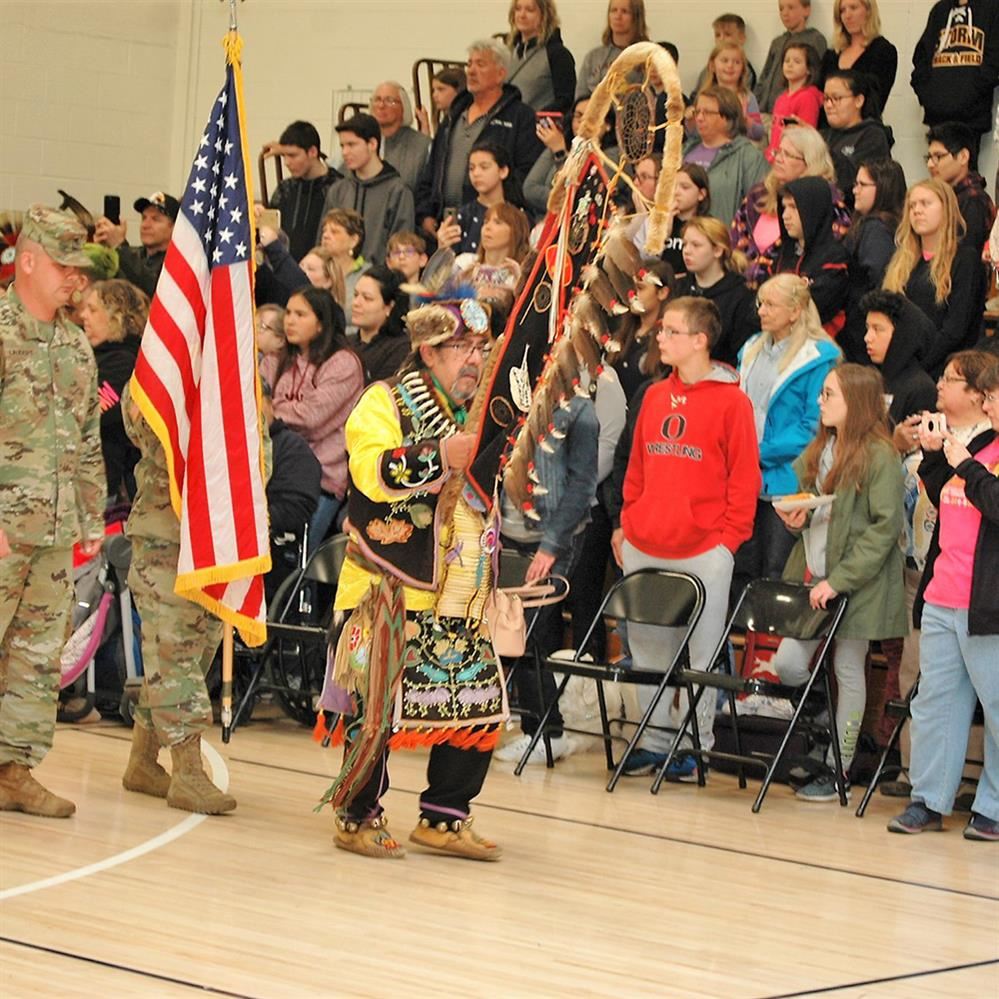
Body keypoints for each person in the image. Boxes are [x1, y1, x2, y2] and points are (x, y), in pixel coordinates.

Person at [328, 297, 504, 860]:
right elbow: (370, 473)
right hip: (387, 584)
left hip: (461, 588)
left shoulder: (484, 410)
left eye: (481, 348)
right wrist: (439, 457)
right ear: (428, 351)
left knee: (476, 701)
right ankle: (357, 815)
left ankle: (446, 817)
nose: (474, 359)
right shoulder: (382, 402)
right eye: (462, 349)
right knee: (376, 705)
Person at [612, 297, 761, 777]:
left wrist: (727, 542)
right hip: (645, 543)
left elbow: (744, 480)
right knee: (650, 650)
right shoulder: (654, 395)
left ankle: (696, 746)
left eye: (671, 331)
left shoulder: (732, 401)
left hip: (705, 549)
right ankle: (654, 741)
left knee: (702, 653)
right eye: (661, 330)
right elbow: (636, 466)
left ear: (700, 340)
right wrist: (626, 524)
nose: (660, 337)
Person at [0, 206, 105, 819]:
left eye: (80, 268)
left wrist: (90, 522)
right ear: (29, 260)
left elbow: (87, 438)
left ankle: (14, 769)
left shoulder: (73, 344)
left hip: (57, 531)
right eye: (65, 266)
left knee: (37, 655)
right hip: (7, 528)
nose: (75, 279)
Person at [773, 364, 907, 800]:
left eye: (829, 394)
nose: (820, 401)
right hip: (813, 576)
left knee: (849, 668)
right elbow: (814, 514)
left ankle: (838, 767)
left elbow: (884, 529)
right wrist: (796, 519)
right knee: (789, 664)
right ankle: (819, 729)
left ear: (857, 402)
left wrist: (841, 580)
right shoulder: (820, 449)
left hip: (856, 584)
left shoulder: (881, 456)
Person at [888, 356, 999, 841]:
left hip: (988, 603)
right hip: (944, 593)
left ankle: (992, 807)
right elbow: (945, 494)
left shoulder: (980, 454)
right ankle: (928, 799)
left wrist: (965, 464)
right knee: (935, 702)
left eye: (994, 395)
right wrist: (936, 455)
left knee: (996, 706)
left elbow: (992, 502)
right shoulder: (976, 445)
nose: (992, 403)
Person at [495, 350, 601, 766]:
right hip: (503, 533)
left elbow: (582, 485)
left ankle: (546, 731)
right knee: (500, 632)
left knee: (531, 635)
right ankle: (491, 719)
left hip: (549, 538)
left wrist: (551, 545)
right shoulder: (512, 403)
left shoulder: (580, 411)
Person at [735, 274, 840, 594]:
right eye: (760, 304)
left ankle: (772, 642)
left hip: (789, 478)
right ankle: (739, 641)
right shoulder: (751, 347)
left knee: (777, 569)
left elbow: (813, 423)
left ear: (795, 311)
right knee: (742, 566)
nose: (761, 311)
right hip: (745, 474)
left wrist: (759, 451)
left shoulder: (819, 356)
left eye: (770, 305)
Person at [261, 286, 365, 552]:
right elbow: (255, 407)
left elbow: (312, 418)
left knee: (292, 559)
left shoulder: (344, 363)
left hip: (322, 481)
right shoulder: (276, 359)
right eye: (289, 313)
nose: (290, 320)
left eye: (300, 314)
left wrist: (274, 408)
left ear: (321, 323)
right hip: (271, 470)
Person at [415, 39, 541, 237]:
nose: (471, 71)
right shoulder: (453, 114)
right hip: (444, 223)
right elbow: (432, 168)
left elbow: (526, 173)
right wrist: (425, 214)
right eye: (469, 64)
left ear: (501, 74)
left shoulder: (520, 117)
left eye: (480, 64)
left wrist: (499, 211)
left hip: (492, 224)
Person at [883, 178, 987, 375]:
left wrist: (918, 366)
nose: (917, 210)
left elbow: (955, 330)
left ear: (946, 208)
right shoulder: (901, 262)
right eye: (912, 205)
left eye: (925, 203)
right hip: (903, 365)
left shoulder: (964, 259)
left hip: (946, 367)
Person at [732, 125, 850, 288]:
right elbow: (735, 242)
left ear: (810, 162)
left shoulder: (828, 204)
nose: (778, 159)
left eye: (787, 154)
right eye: (778, 152)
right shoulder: (758, 195)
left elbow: (825, 255)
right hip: (744, 291)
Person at [79, 278, 148, 508]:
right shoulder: (89, 354)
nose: (83, 316)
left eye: (93, 309)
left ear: (115, 316)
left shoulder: (124, 364)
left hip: (104, 490)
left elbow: (90, 412)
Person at [320, 114, 414, 268]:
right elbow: (323, 241)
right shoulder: (338, 191)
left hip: (379, 283)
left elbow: (401, 246)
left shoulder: (398, 191)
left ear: (372, 144)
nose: (345, 152)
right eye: (342, 146)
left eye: (351, 144)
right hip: (338, 279)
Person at [911, 0, 999, 159]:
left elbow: (994, 62)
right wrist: (928, 96)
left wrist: (971, 93)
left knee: (966, 176)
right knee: (937, 175)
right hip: (937, 115)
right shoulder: (940, 10)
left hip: (971, 118)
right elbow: (921, 57)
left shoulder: (992, 8)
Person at [840, 157, 907, 363]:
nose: (855, 190)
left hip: (861, 328)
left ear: (883, 188)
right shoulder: (890, 225)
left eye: (862, 184)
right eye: (855, 184)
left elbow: (879, 277)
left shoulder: (875, 228)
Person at [260, 379, 322, 601]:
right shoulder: (224, 445)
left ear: (269, 404)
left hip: (269, 554)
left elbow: (294, 512)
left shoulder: (293, 449)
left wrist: (245, 518)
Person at [763, 176, 850, 331]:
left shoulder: (835, 259)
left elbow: (813, 307)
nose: (785, 215)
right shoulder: (781, 255)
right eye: (784, 207)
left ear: (812, 210)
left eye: (793, 207)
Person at [677, 217, 757, 367]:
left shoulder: (741, 297)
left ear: (718, 250)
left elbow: (741, 354)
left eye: (696, 245)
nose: (687, 251)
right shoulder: (679, 288)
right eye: (684, 244)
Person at [683, 86, 769, 226]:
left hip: (722, 241)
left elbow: (760, 207)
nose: (699, 118)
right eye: (697, 112)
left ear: (728, 118)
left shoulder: (749, 157)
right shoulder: (684, 151)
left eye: (708, 113)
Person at [861, 289, 938, 435]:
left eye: (877, 329)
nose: (867, 337)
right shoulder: (873, 381)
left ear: (901, 335)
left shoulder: (921, 389)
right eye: (868, 328)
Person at [264, 121, 341, 262]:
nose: (287, 162)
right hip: (285, 269)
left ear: (312, 152)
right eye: (284, 156)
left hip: (324, 269)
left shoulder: (338, 188)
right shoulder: (285, 188)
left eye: (293, 156)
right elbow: (269, 228)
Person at [925, 121, 997, 254]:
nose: (930, 164)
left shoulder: (973, 201)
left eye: (938, 157)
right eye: (929, 157)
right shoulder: (952, 196)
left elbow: (966, 256)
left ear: (963, 156)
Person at [435, 143, 518, 256]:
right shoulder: (463, 216)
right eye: (471, 168)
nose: (476, 173)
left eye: (484, 167)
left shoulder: (517, 216)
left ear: (503, 171)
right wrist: (443, 247)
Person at [820, 70, 893, 197]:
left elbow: (851, 181)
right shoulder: (824, 135)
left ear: (858, 100)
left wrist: (818, 148)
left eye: (836, 98)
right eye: (826, 99)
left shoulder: (873, 135)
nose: (829, 105)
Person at [611, 260, 676, 402]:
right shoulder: (620, 333)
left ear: (662, 293)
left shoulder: (669, 342)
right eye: (631, 288)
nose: (632, 294)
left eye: (640, 288)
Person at [93, 191, 178, 298]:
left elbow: (152, 286)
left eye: (155, 219)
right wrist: (101, 250)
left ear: (174, 227)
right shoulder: (133, 254)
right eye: (144, 218)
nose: (145, 225)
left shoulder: (179, 262)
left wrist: (119, 245)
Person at [819, 0, 898, 113]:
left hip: (864, 128)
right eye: (842, 10)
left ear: (869, 11)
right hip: (828, 127)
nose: (847, 15)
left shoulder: (883, 51)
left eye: (853, 8)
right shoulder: (831, 55)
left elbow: (875, 101)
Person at [755, 0, 828, 114]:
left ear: (806, 10)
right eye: (781, 8)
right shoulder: (777, 42)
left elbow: (816, 76)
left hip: (791, 111)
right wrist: (755, 103)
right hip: (764, 109)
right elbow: (765, 75)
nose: (785, 13)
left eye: (791, 7)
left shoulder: (814, 39)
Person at [505, 0, 576, 114]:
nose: (522, 15)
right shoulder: (507, 52)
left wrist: (531, 118)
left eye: (530, 10)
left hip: (536, 127)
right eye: (518, 9)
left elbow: (565, 100)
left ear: (545, 15)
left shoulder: (558, 54)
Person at [454, 203, 531, 301]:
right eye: (485, 222)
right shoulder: (464, 263)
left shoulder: (519, 275)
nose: (487, 227)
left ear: (516, 232)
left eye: (498, 222)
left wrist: (519, 288)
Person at [348, 265, 411, 385]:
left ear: (389, 307)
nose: (356, 303)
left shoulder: (401, 349)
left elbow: (378, 393)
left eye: (367, 298)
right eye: (356, 295)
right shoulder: (345, 342)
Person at [576, 0, 650, 99]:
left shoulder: (646, 57)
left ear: (636, 17)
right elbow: (580, 96)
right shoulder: (593, 57)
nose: (618, 16)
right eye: (614, 10)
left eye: (624, 11)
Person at [369, 81, 432, 195]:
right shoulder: (361, 141)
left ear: (404, 107)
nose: (381, 105)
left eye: (389, 101)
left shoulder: (422, 145)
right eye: (377, 99)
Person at [766, 42, 824, 162]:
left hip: (791, 159)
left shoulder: (808, 97)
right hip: (774, 156)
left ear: (809, 69)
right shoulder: (781, 97)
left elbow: (806, 136)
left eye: (797, 62)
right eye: (786, 61)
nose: (790, 65)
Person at [697, 41, 764, 142]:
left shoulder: (748, 98)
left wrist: (747, 122)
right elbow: (694, 132)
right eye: (724, 60)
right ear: (712, 66)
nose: (730, 65)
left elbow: (759, 134)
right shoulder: (705, 97)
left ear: (743, 69)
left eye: (737, 62)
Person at [655, 163, 711, 277]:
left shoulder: (707, 226)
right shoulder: (661, 220)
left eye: (684, 187)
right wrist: (664, 233)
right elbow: (649, 261)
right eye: (673, 187)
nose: (676, 192)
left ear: (701, 194)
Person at [320, 208, 366, 322]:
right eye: (324, 231)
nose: (325, 235)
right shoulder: (314, 269)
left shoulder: (367, 275)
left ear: (354, 240)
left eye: (334, 232)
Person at [693, 14, 758, 94]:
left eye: (727, 34)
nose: (722, 39)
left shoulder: (746, 72)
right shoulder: (708, 69)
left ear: (742, 38)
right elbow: (695, 95)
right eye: (717, 35)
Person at [414, 66, 467, 137]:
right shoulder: (446, 120)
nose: (434, 95)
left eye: (441, 89)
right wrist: (425, 125)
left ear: (459, 90)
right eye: (433, 90)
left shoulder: (466, 119)